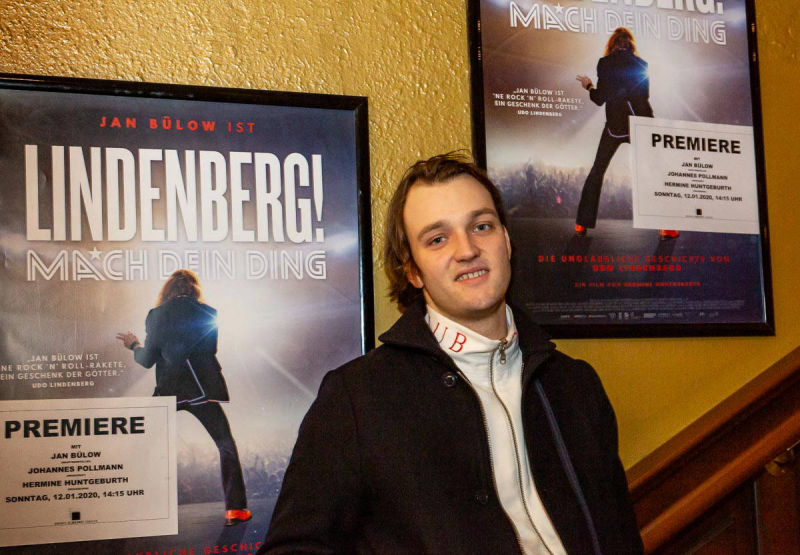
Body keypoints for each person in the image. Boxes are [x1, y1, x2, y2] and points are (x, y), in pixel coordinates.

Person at [260, 153, 643, 554]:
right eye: (437, 239)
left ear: (506, 241)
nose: (467, 250)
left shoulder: (576, 385)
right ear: (413, 271)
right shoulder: (356, 399)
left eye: (481, 226)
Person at [116, 269, 251, 526]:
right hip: (201, 389)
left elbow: (147, 360)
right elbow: (210, 350)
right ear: (195, 289)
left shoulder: (156, 315)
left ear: (167, 290)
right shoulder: (209, 312)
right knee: (226, 445)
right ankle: (236, 510)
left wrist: (134, 345)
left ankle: (131, 509)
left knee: (141, 447)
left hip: (169, 389)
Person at [575, 27, 678, 240]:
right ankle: (667, 227)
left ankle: (581, 224)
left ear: (612, 44)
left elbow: (599, 98)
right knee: (657, 173)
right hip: (641, 124)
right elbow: (644, 96)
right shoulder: (642, 64)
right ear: (631, 44)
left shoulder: (605, 63)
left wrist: (588, 86)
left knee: (597, 171)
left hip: (615, 125)